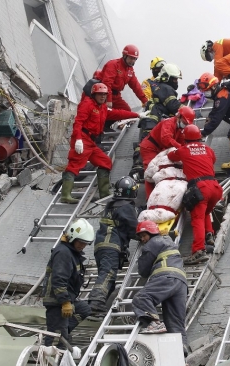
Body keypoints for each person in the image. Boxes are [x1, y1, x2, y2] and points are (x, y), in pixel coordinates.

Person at [61, 83, 144, 204]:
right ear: (94, 94)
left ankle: (104, 193)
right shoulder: (87, 104)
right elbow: (78, 122)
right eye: (100, 94)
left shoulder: (102, 108)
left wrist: (137, 115)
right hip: (83, 139)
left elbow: (117, 113)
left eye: (105, 95)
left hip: (91, 141)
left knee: (105, 162)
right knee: (74, 165)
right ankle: (65, 195)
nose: (103, 97)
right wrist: (78, 139)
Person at [132, 221, 189, 356]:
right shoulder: (169, 242)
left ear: (151, 233)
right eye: (140, 237)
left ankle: (154, 323)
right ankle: (181, 355)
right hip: (181, 283)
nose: (142, 239)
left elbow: (143, 270)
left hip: (165, 277)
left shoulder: (153, 243)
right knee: (175, 323)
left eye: (143, 235)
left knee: (141, 298)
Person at [168, 125, 223, 264]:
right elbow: (213, 160)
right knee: (205, 212)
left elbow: (171, 156)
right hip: (215, 187)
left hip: (200, 187)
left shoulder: (184, 149)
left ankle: (198, 250)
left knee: (197, 218)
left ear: (185, 138)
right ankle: (209, 234)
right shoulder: (208, 149)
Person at [88, 176, 139, 313]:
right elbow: (133, 228)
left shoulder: (112, 204)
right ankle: (96, 301)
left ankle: (100, 306)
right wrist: (147, 234)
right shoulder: (126, 206)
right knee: (108, 273)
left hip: (101, 245)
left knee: (107, 276)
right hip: (111, 244)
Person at [41, 218, 93, 348]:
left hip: (67, 298)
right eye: (80, 242)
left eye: (85, 243)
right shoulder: (63, 253)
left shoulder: (71, 253)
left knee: (84, 310)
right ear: (72, 238)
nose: (82, 246)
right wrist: (65, 302)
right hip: (57, 300)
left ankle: (63, 330)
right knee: (56, 340)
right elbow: (59, 280)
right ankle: (51, 357)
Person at [140, 106, 195, 199]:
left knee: (162, 170)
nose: (184, 125)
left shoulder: (179, 129)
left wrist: (187, 151)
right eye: (184, 123)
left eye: (186, 124)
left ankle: (160, 195)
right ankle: (149, 199)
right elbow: (166, 139)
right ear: (179, 116)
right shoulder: (168, 123)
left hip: (161, 150)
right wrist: (181, 148)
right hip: (150, 147)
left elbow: (182, 143)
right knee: (151, 171)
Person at [100, 44, 148, 110]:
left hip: (116, 96)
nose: (133, 61)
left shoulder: (130, 70)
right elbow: (107, 83)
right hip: (103, 95)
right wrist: (108, 100)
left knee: (127, 111)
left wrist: (145, 100)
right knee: (104, 114)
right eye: (131, 58)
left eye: (135, 59)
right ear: (124, 56)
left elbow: (136, 86)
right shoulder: (113, 65)